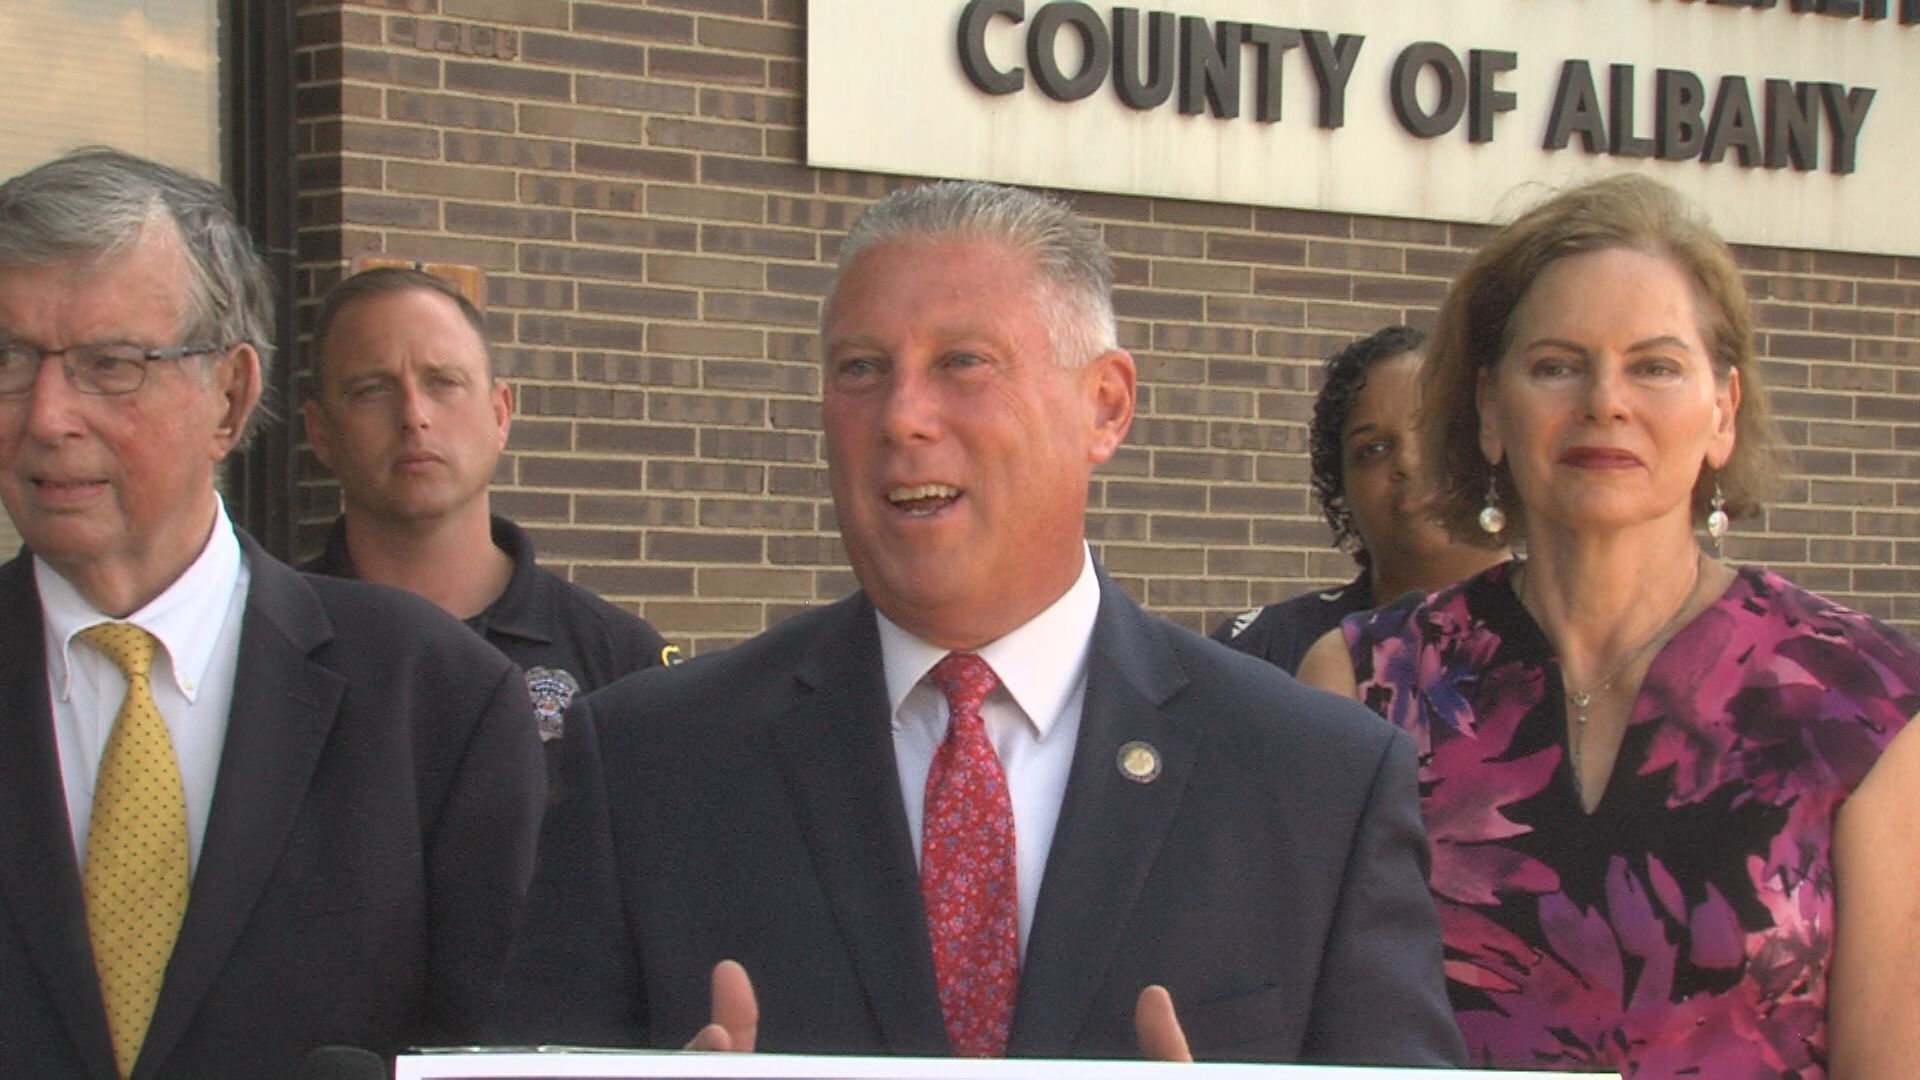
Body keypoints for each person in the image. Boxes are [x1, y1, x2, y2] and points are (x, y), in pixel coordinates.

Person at [493, 180, 1465, 1065]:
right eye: (861, 368)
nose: (902, 416)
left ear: (1105, 407)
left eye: (963, 363)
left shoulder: (1318, 781)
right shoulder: (650, 765)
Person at [1298, 173, 1920, 1076]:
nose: (1605, 401)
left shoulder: (1868, 704)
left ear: (1722, 412)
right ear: (1489, 410)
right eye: (1557, 365)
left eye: (1655, 366)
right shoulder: (1363, 685)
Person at [0, 148, 543, 1078]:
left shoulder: (432, 695)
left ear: (231, 395)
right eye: (9, 360)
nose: (47, 415)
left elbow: (501, 1040)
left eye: (110, 365)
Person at [301, 267, 677, 767]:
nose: (414, 415)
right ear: (320, 431)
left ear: (500, 413)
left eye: (443, 382)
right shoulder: (263, 643)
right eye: (372, 389)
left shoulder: (618, 660)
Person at [1213, 326, 1507, 673]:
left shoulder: (1559, 633)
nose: (1408, 462)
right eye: (1373, 449)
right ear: (1341, 487)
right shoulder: (1259, 653)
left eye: (1436, 431)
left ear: (1494, 441)